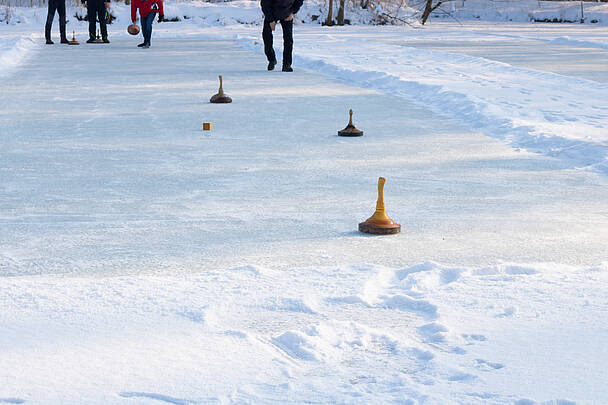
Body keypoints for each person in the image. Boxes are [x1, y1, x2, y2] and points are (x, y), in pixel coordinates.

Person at [260, 0, 303, 72]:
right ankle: (271, 59)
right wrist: (271, 20)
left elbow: (299, 1)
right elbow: (264, 4)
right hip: (272, 12)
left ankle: (287, 64)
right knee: (266, 35)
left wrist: (292, 12)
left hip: (287, 13)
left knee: (288, 39)